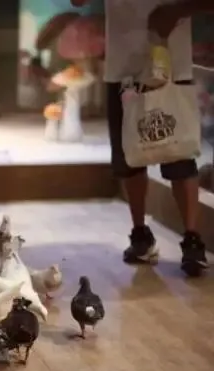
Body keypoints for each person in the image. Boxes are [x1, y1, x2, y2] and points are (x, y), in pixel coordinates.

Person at [72, 0, 212, 276]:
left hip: (172, 63)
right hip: (122, 67)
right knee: (131, 155)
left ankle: (192, 239)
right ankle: (140, 234)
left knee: (180, 154)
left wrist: (178, 10)